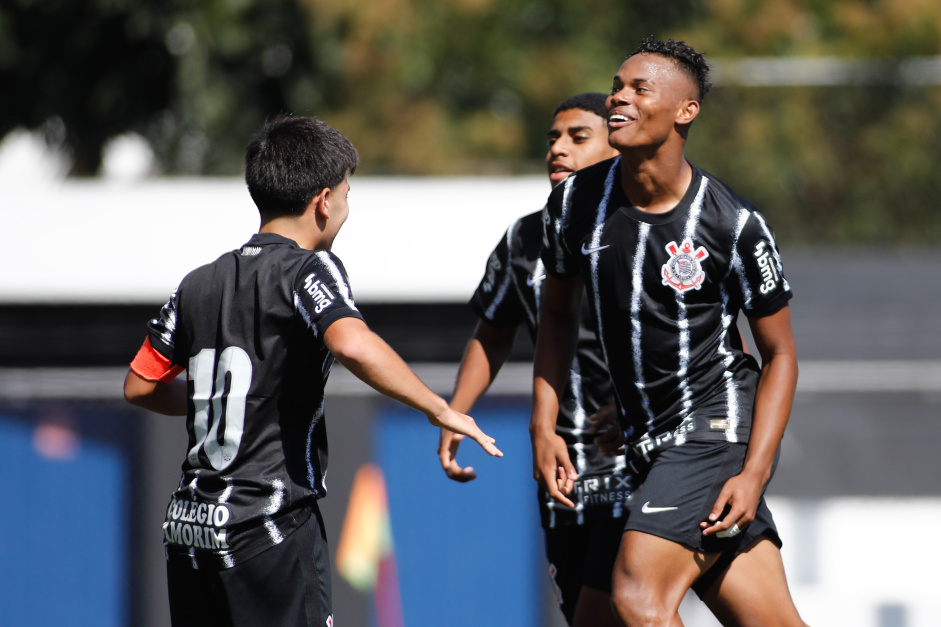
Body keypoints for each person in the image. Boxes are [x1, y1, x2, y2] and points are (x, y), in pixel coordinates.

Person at [123, 115, 502, 627]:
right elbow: (353, 344)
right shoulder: (307, 268)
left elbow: (140, 385)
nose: (347, 208)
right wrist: (440, 407)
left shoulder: (198, 282)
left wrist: (224, 403)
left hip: (191, 529)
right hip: (267, 524)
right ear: (325, 200)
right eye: (348, 193)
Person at [532, 38, 808, 626]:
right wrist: (544, 422)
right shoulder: (573, 203)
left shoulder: (733, 225)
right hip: (641, 443)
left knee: (638, 596)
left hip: (713, 432)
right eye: (616, 86)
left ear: (686, 111)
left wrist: (753, 473)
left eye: (639, 89)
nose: (618, 99)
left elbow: (781, 356)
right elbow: (555, 313)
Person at [438, 93, 626, 627]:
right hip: (560, 466)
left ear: (617, 148)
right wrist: (457, 411)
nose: (558, 149)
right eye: (552, 138)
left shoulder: (639, 227)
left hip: (635, 458)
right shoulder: (525, 236)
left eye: (577, 137)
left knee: (614, 608)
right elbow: (493, 334)